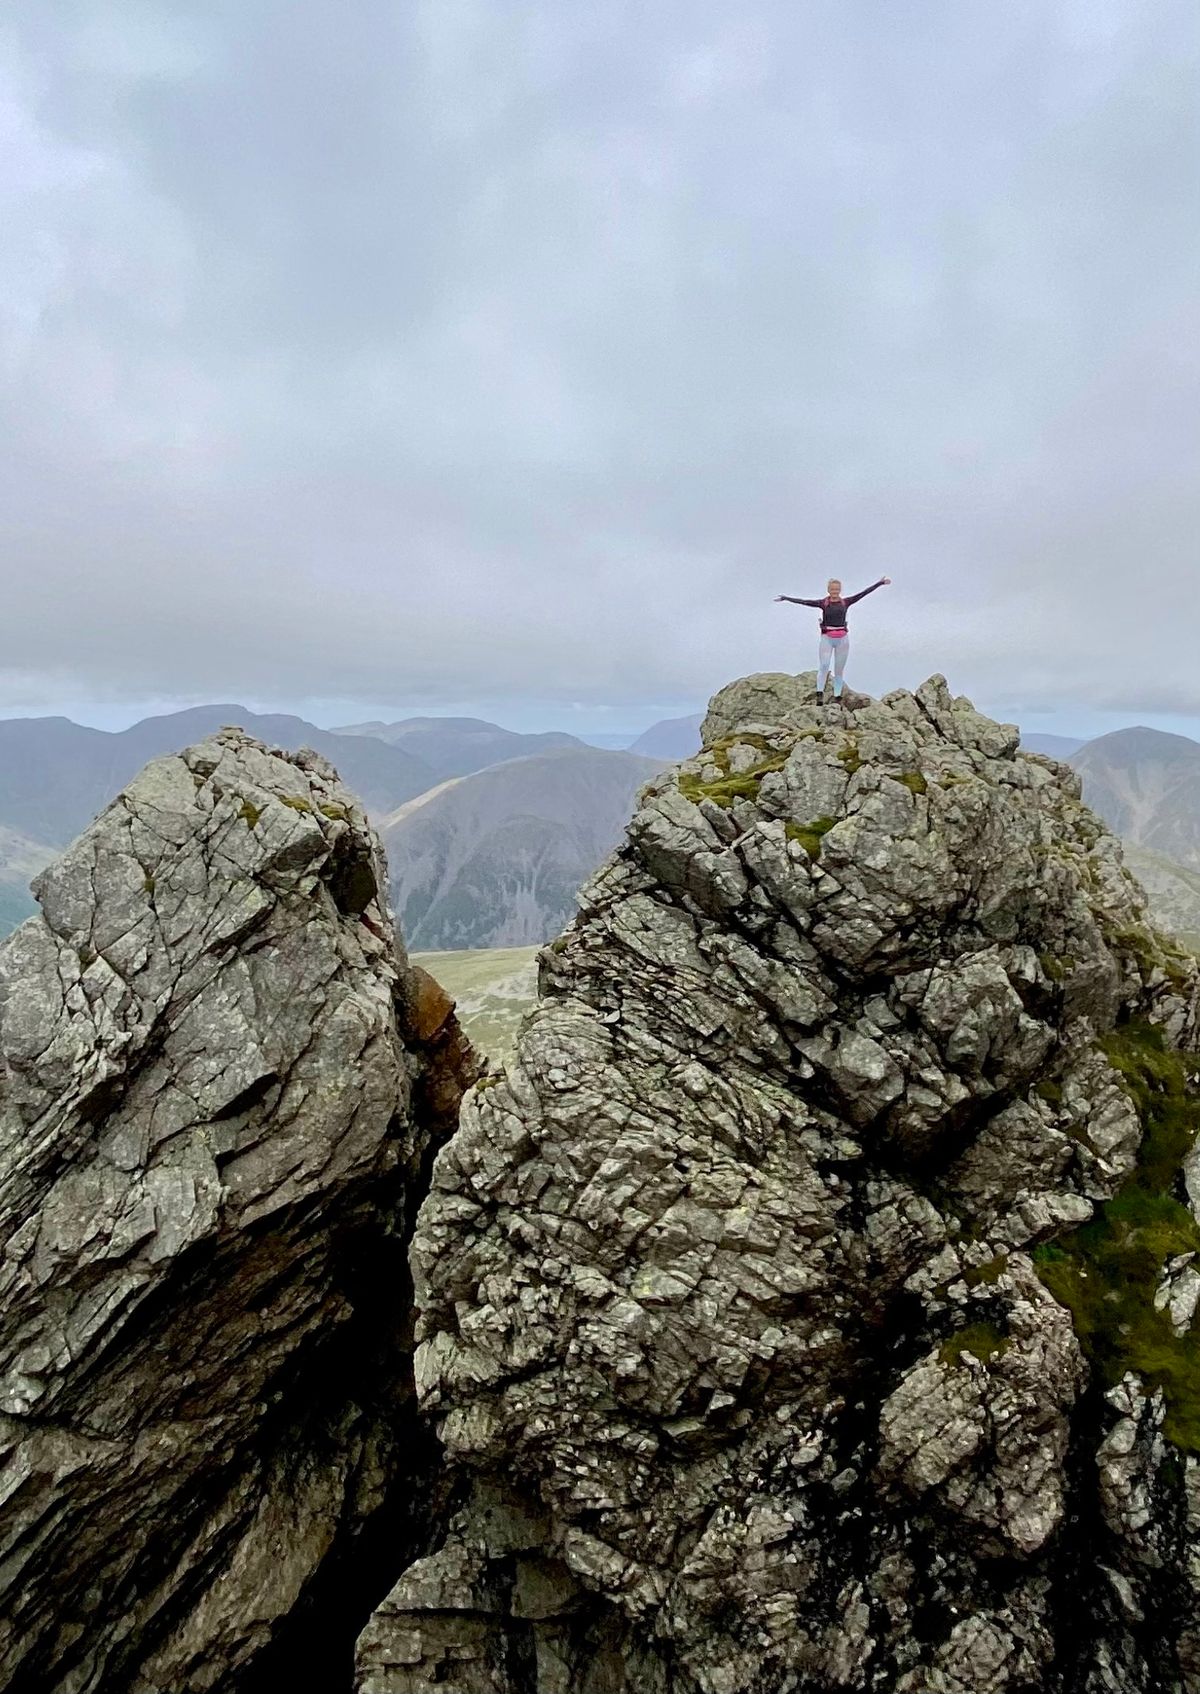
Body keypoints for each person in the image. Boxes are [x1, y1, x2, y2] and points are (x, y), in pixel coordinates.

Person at [775, 577, 891, 700]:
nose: (835, 591)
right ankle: (819, 694)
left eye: (837, 589)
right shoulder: (823, 603)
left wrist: (880, 583)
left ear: (840, 590)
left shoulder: (846, 602)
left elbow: (864, 593)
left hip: (842, 639)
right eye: (832, 589)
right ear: (828, 590)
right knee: (824, 665)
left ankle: (837, 697)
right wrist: (786, 598)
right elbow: (804, 602)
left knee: (839, 669)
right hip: (827, 638)